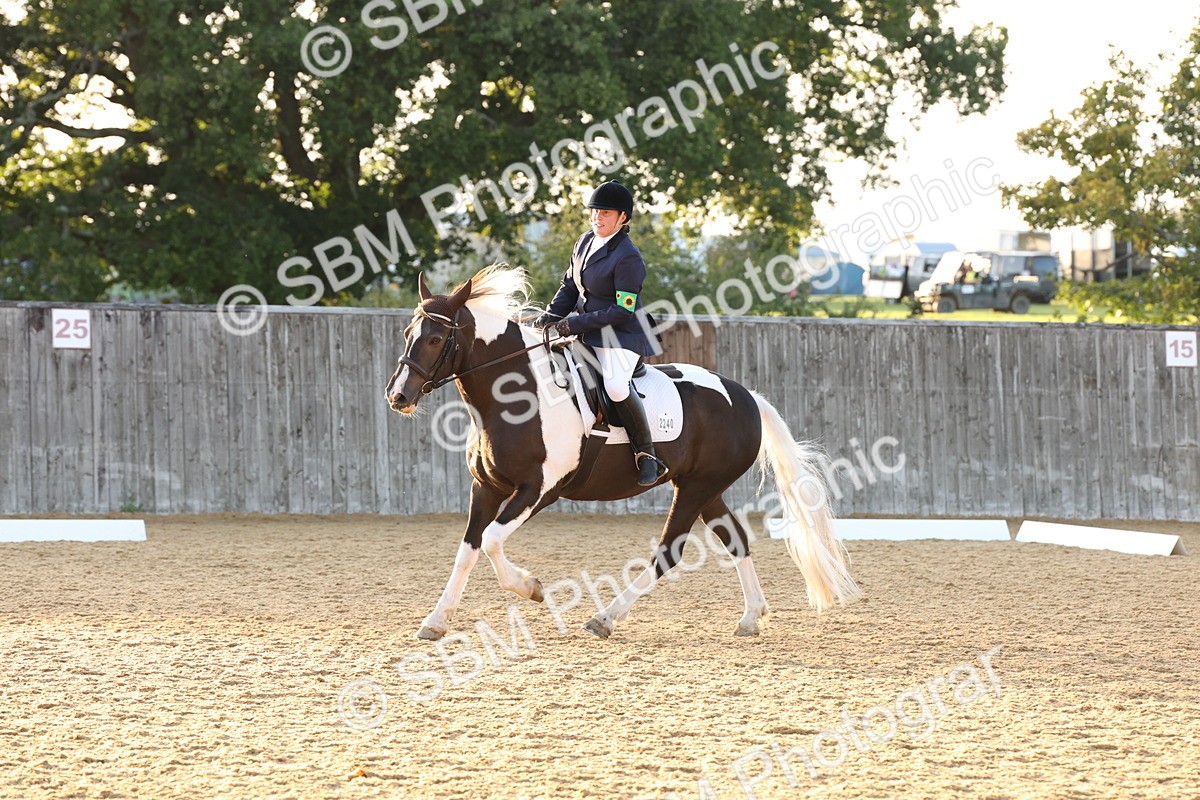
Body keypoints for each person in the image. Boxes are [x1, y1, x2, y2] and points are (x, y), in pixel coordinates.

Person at [534, 180, 668, 486]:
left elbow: (623, 310)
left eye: (605, 213)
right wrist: (549, 316)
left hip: (622, 336)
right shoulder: (584, 241)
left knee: (617, 386)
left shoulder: (628, 256)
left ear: (623, 218)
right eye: (594, 211)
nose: (597, 217)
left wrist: (572, 325)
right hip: (589, 332)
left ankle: (647, 455)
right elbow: (569, 286)